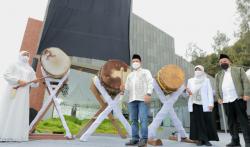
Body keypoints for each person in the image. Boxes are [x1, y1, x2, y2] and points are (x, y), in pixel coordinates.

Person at [0, 51, 39, 141]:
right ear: (19, 55)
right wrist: (18, 80)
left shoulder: (30, 69)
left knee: (19, 112)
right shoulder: (13, 64)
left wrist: (36, 82)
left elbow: (34, 84)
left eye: (28, 55)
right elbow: (6, 75)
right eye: (24, 54)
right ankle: (3, 133)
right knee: (9, 109)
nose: (26, 56)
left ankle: (17, 135)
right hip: (13, 90)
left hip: (23, 95)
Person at [215, 54, 250, 147]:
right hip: (226, 101)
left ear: (229, 61)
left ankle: (248, 142)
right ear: (219, 64)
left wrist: (246, 93)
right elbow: (217, 88)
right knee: (231, 122)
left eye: (225, 61)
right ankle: (235, 141)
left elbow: (246, 82)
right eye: (221, 62)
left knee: (243, 121)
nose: (223, 63)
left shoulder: (238, 70)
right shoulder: (218, 75)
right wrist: (218, 98)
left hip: (238, 99)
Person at [120, 54, 153, 147]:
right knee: (133, 120)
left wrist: (148, 93)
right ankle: (135, 139)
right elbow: (127, 88)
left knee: (143, 119)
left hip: (143, 99)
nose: (135, 63)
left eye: (136, 61)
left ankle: (144, 139)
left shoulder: (146, 72)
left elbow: (150, 82)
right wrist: (122, 89)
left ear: (140, 62)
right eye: (133, 61)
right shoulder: (130, 75)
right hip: (132, 100)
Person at [186, 65, 219, 146]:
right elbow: (188, 93)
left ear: (203, 71)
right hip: (194, 104)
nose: (197, 71)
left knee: (206, 121)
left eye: (199, 69)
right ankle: (200, 139)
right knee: (197, 122)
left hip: (205, 104)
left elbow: (210, 93)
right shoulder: (190, 80)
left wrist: (211, 104)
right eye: (196, 69)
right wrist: (188, 92)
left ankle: (206, 139)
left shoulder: (206, 80)